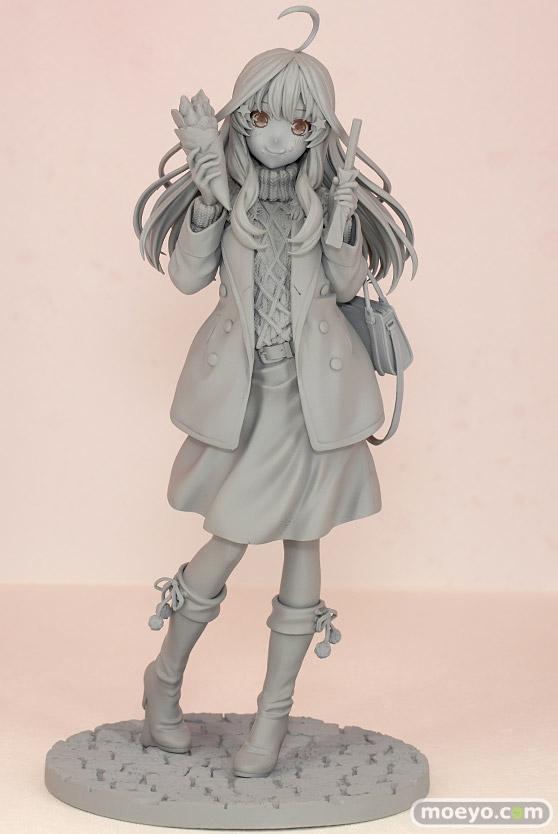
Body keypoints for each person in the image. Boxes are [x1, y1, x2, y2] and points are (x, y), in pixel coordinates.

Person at [133, 6, 416, 778]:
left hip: (316, 401)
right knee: (226, 542)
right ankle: (164, 682)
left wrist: (343, 221)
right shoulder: (229, 196)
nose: (278, 137)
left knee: (303, 545)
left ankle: (271, 719)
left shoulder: (328, 200)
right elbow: (188, 277)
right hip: (248, 400)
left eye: (298, 123)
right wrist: (205, 198)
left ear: (319, 129)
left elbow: (349, 286)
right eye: (260, 118)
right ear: (241, 121)